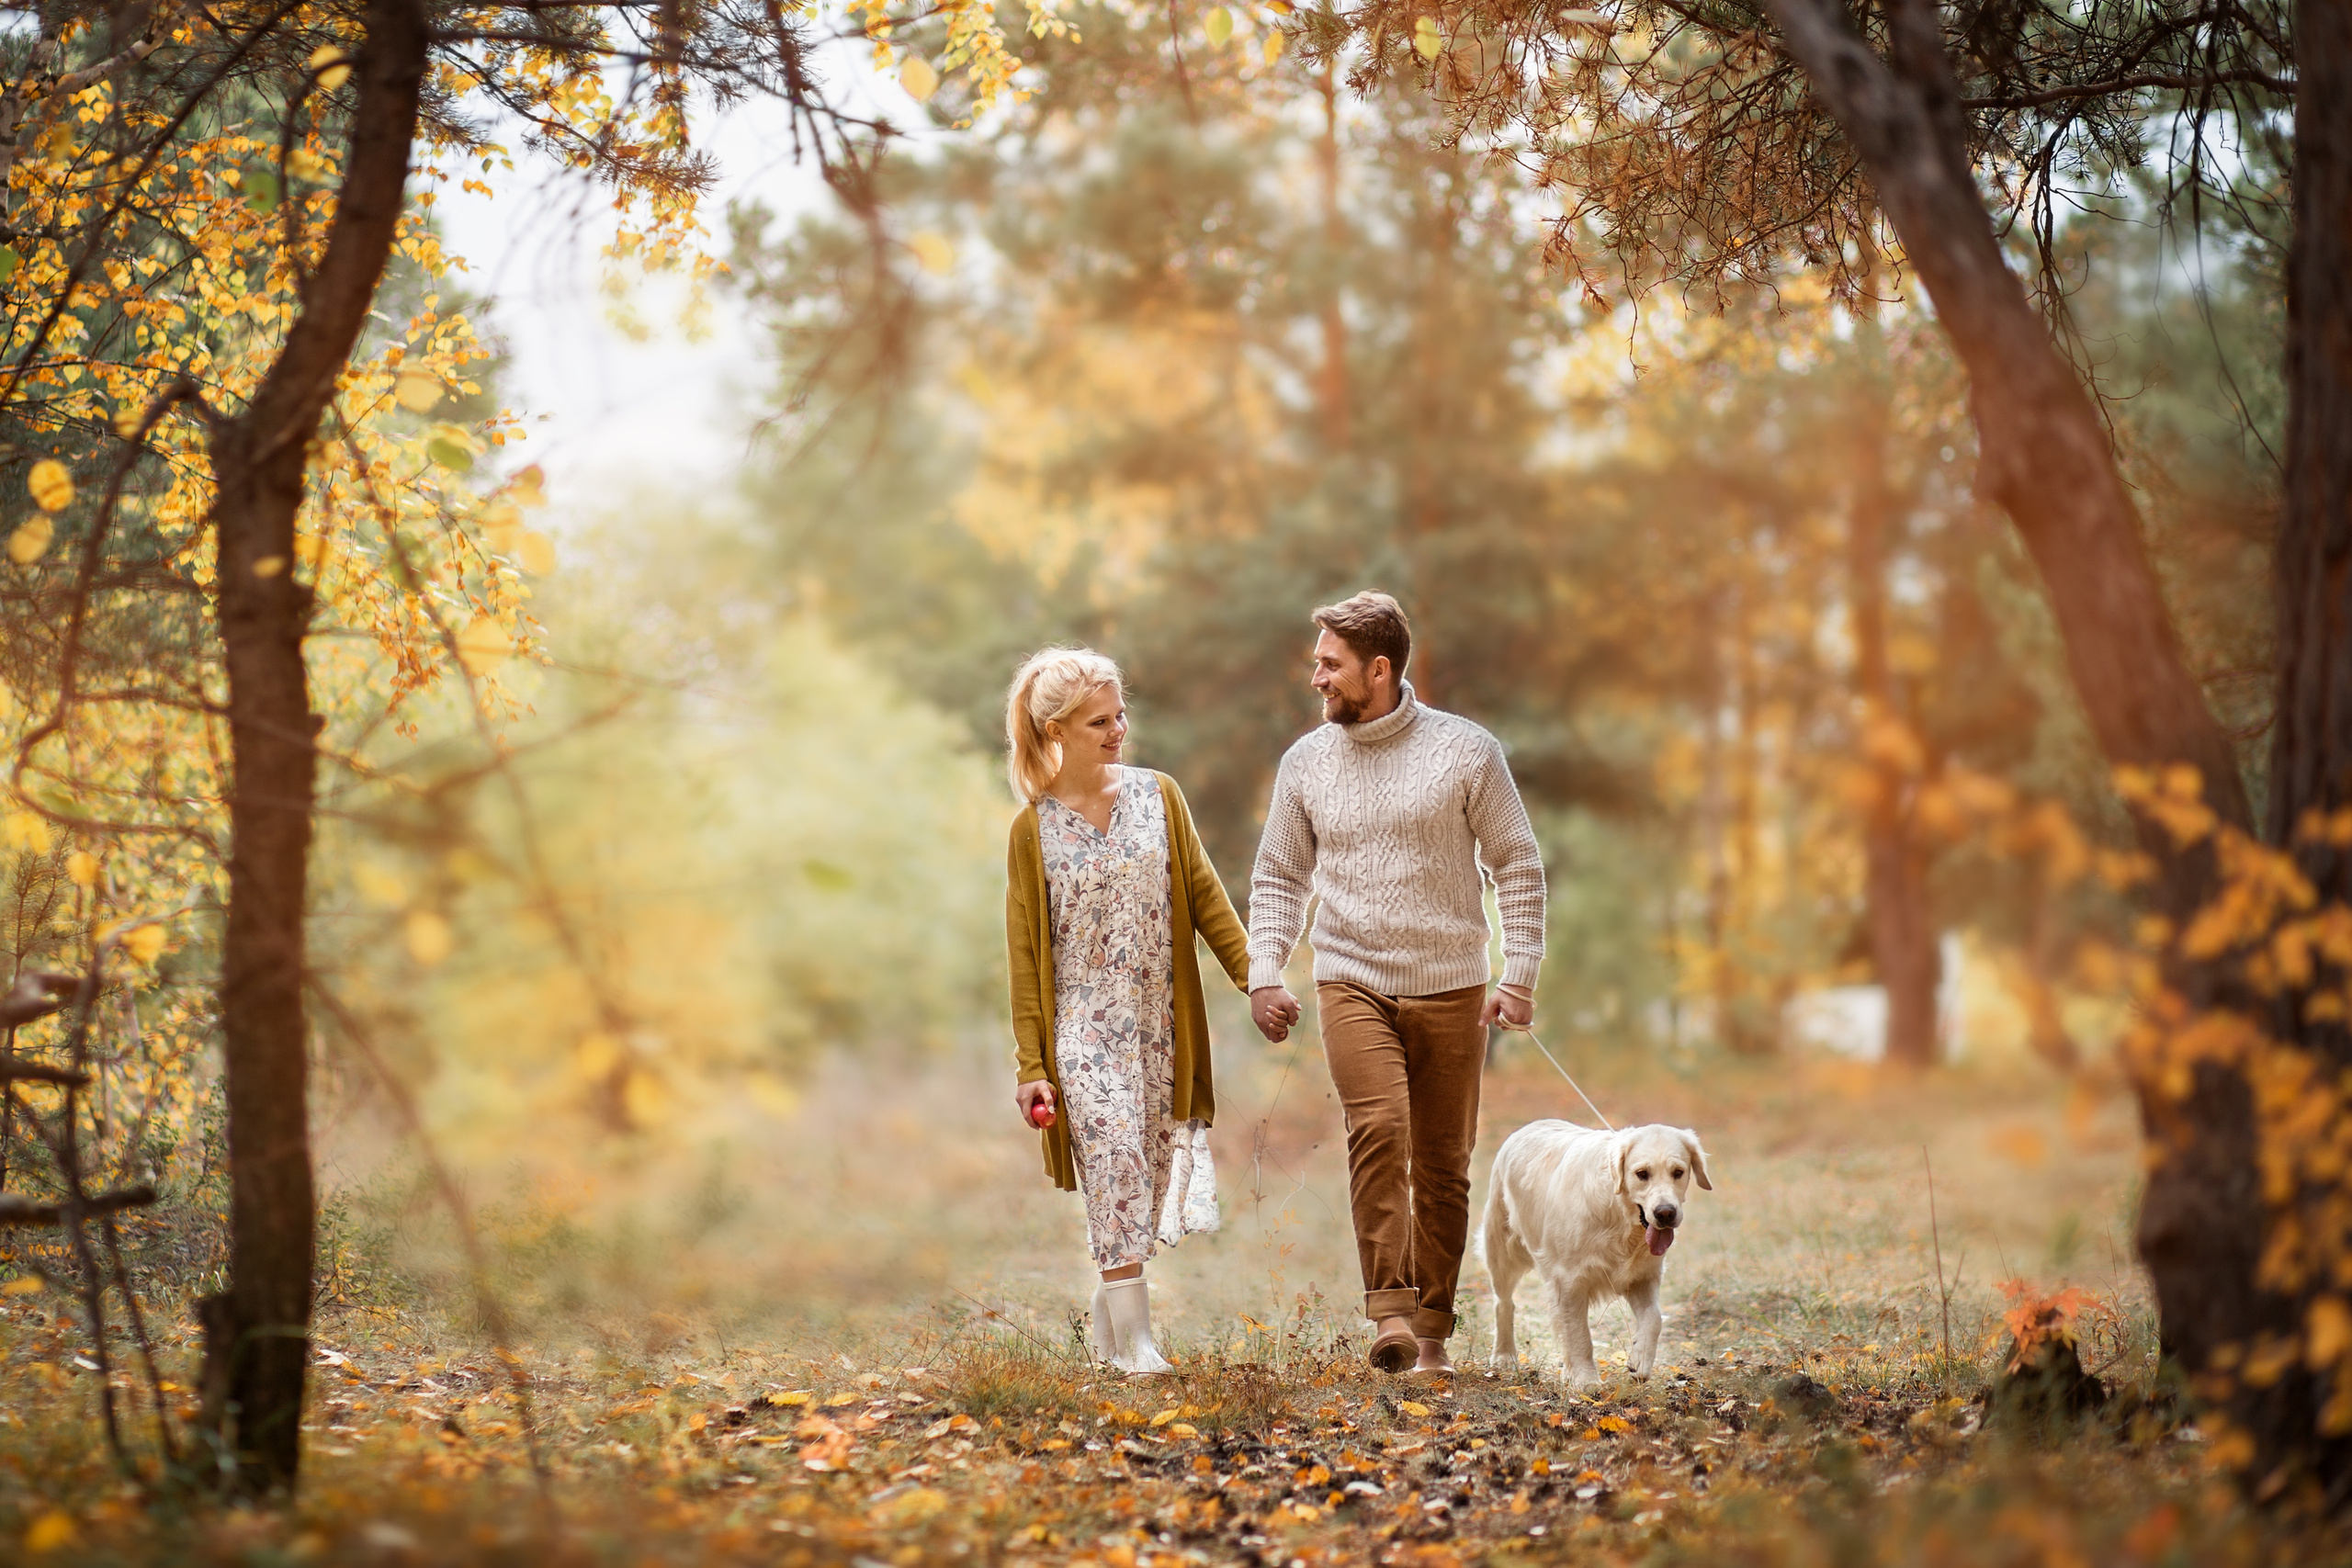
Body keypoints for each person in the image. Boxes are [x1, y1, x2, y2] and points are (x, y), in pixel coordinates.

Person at [1248, 592, 1546, 1375]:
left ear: (1378, 671)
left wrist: (1519, 975)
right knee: (1379, 1131)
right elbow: (1280, 874)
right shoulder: (1305, 762)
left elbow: (1516, 862)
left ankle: (1434, 1333)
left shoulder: (1466, 752)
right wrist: (1263, 970)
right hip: (1351, 977)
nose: (1315, 677)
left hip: (1451, 984)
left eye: (1329, 664)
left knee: (1443, 1163)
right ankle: (1390, 1313)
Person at [1004, 647, 1253, 1374]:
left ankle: (1110, 1315)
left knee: (1143, 1171)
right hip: (1082, 1029)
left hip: (1158, 1024)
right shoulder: (1033, 829)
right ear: (1056, 729)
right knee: (1113, 1155)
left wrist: (1255, 978)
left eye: (1121, 715)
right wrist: (1032, 1064)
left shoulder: (1159, 795)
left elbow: (1204, 895)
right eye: (1098, 721)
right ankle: (1140, 1342)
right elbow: (1024, 955)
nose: (1119, 730)